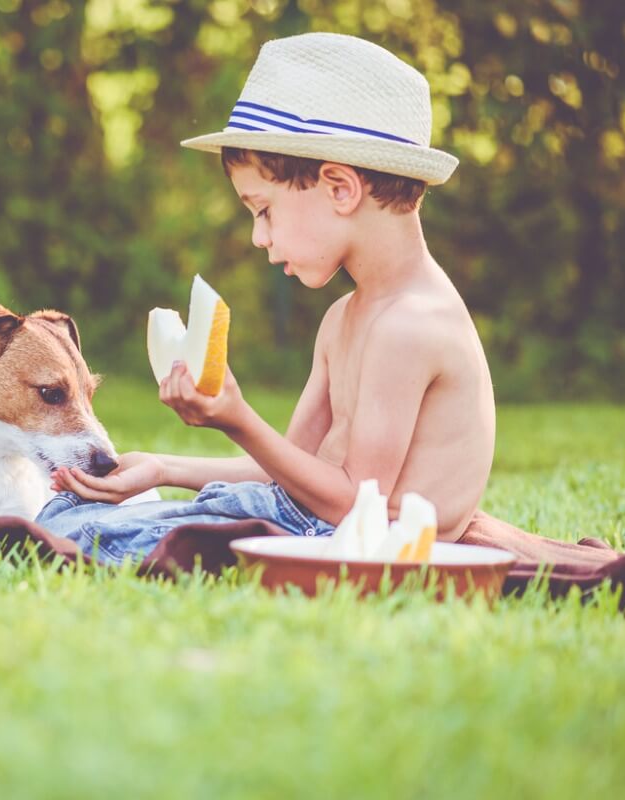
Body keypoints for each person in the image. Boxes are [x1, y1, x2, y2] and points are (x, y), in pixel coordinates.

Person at [36, 32, 496, 564]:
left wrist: (238, 418)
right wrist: (162, 469)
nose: (259, 237)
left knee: (91, 538)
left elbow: (356, 507)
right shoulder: (346, 316)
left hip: (349, 542)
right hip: (295, 515)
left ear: (340, 189)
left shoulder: (409, 326)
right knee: (69, 514)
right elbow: (289, 467)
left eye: (264, 210)